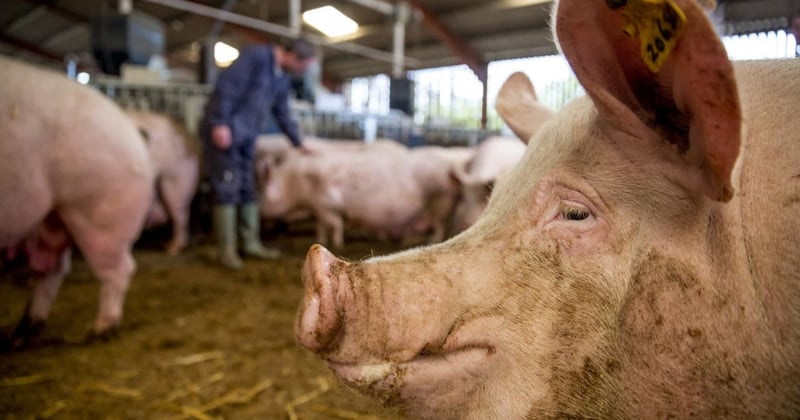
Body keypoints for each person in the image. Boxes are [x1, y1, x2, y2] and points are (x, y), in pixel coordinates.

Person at [201, 37, 317, 270]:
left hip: (246, 138)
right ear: (293, 56)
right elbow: (228, 86)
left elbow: (282, 112)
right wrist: (219, 122)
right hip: (226, 133)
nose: (301, 72)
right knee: (227, 189)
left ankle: (251, 244)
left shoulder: (281, 78)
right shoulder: (256, 57)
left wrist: (298, 142)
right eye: (302, 66)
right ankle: (227, 251)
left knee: (247, 188)